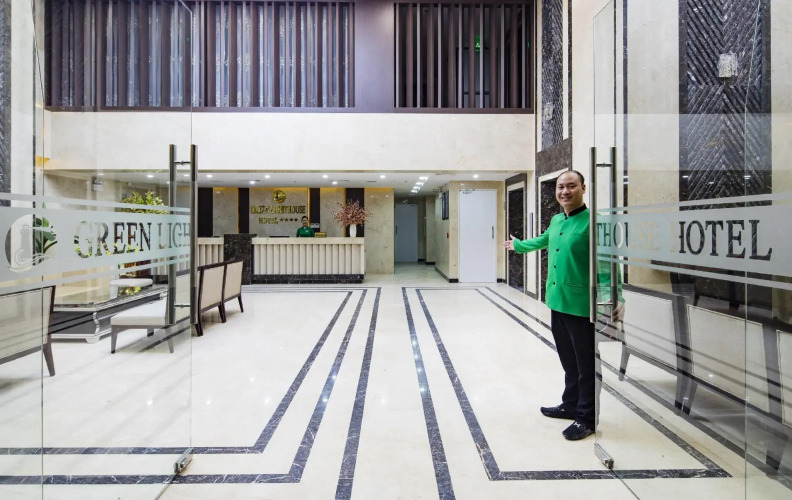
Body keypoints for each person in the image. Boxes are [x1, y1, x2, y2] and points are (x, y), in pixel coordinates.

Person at [504, 169, 622, 441]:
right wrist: (519, 245)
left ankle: (586, 418)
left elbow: (608, 265)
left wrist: (616, 297)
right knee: (569, 361)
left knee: (586, 365)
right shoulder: (557, 220)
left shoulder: (595, 223)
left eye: (571, 186)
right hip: (558, 301)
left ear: (583, 188)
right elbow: (545, 240)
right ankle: (570, 405)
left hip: (582, 306)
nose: (564, 192)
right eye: (560, 187)